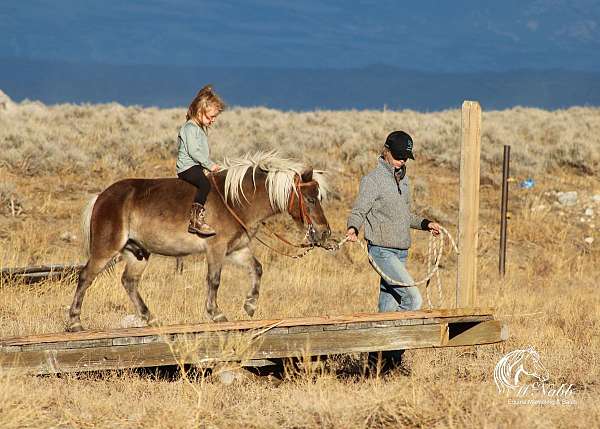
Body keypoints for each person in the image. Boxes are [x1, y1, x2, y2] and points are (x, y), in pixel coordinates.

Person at [346, 130, 441, 370]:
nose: (403, 161)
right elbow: (359, 210)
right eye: (399, 156)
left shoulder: (404, 180)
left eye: (406, 157)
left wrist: (425, 224)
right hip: (381, 251)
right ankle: (392, 358)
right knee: (413, 299)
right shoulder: (373, 180)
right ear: (387, 151)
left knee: (387, 310)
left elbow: (404, 216)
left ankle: (374, 364)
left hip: (401, 252)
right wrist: (353, 228)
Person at [176, 85, 225, 237]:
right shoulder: (190, 128)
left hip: (196, 167)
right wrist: (210, 165)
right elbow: (194, 151)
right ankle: (195, 220)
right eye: (210, 117)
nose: (213, 121)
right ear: (199, 111)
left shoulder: (198, 128)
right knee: (204, 184)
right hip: (187, 168)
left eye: (214, 117)